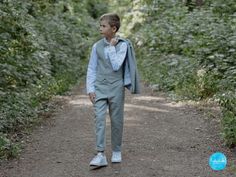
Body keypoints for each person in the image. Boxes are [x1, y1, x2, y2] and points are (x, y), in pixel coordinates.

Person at [86, 13, 140, 167]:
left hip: (116, 87)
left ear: (113, 28)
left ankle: (116, 150)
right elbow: (92, 68)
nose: (100, 28)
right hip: (99, 87)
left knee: (116, 119)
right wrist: (90, 88)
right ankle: (100, 153)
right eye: (100, 25)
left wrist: (111, 47)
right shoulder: (96, 46)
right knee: (99, 119)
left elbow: (116, 65)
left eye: (103, 26)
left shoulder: (122, 45)